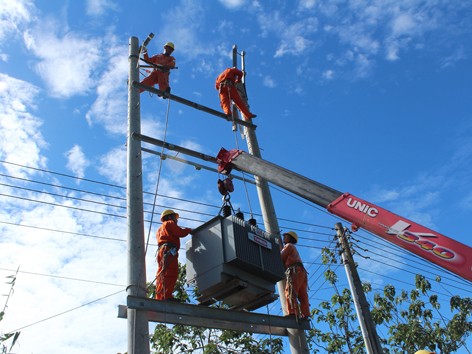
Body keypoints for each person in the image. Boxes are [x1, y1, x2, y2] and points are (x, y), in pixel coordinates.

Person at [155, 209, 192, 301]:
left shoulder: (159, 229)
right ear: (170, 216)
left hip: (162, 251)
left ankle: (160, 297)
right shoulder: (170, 223)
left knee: (162, 273)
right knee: (171, 273)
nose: (176, 220)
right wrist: (189, 230)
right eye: (175, 217)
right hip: (169, 250)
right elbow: (179, 232)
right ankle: (166, 296)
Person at [280, 231, 310, 319]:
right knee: (302, 294)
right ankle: (306, 314)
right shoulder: (293, 248)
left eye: (286, 236)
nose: (284, 238)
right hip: (301, 272)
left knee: (290, 292)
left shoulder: (289, 246)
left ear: (290, 238)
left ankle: (293, 313)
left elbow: (280, 256)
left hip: (295, 271)